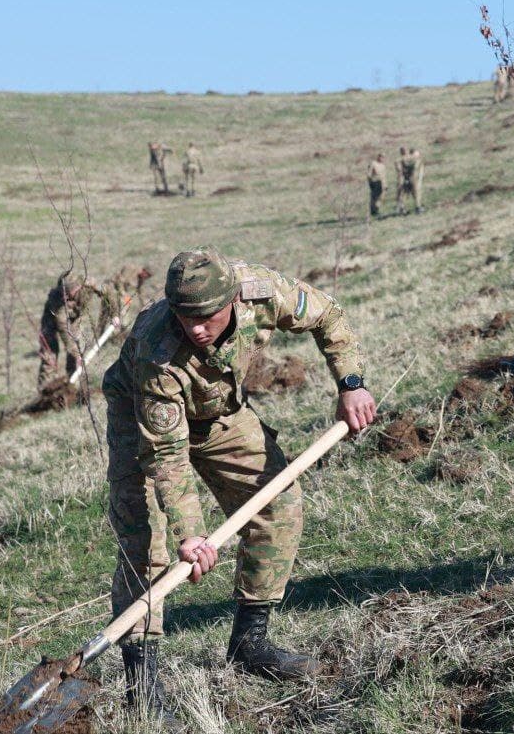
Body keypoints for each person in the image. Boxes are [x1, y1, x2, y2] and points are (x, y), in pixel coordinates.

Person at [102, 247, 375, 725]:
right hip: (142, 420)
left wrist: (351, 383)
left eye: (206, 316)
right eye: (186, 317)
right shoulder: (156, 350)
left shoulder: (263, 292)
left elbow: (327, 314)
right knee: (147, 542)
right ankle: (141, 687)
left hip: (219, 409)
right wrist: (191, 531)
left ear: (232, 300)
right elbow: (167, 456)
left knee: (278, 503)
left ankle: (250, 644)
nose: (196, 329)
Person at [37, 275, 106, 387]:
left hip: (74, 318)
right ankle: (47, 389)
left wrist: (115, 314)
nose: (65, 297)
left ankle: (73, 386)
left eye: (69, 294)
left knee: (76, 354)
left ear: (78, 288)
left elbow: (108, 292)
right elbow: (63, 327)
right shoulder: (57, 300)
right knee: (49, 354)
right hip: (51, 318)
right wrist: (76, 354)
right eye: (64, 294)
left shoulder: (89, 283)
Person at [395, 147, 424, 214]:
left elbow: (401, 170)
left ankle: (402, 208)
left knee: (405, 193)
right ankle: (418, 208)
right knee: (416, 193)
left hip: (407, 178)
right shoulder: (413, 159)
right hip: (413, 178)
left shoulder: (401, 160)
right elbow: (415, 167)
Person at [367, 152, 387, 218]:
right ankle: (373, 212)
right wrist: (370, 183)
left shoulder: (383, 165)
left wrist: (385, 184)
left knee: (381, 198)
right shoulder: (373, 163)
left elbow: (384, 176)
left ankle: (376, 210)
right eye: (381, 156)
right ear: (378, 157)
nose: (382, 158)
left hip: (382, 183)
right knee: (374, 198)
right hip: (375, 182)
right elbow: (369, 174)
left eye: (383, 157)